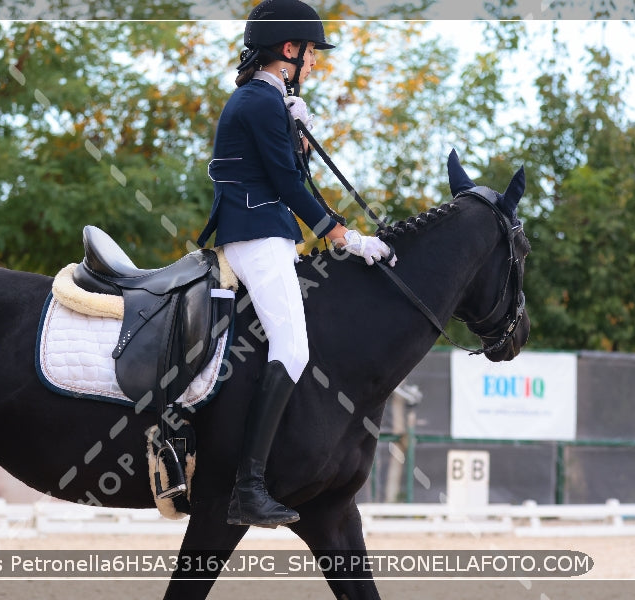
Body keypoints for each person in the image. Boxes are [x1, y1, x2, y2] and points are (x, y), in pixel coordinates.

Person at [196, 0, 396, 528]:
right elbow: (286, 187)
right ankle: (249, 486)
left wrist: (299, 136)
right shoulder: (260, 101)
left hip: (267, 232)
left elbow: (289, 173)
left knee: (289, 344)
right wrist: (342, 234)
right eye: (310, 54)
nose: (313, 64)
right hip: (256, 233)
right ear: (289, 50)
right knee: (293, 346)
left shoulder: (267, 100)